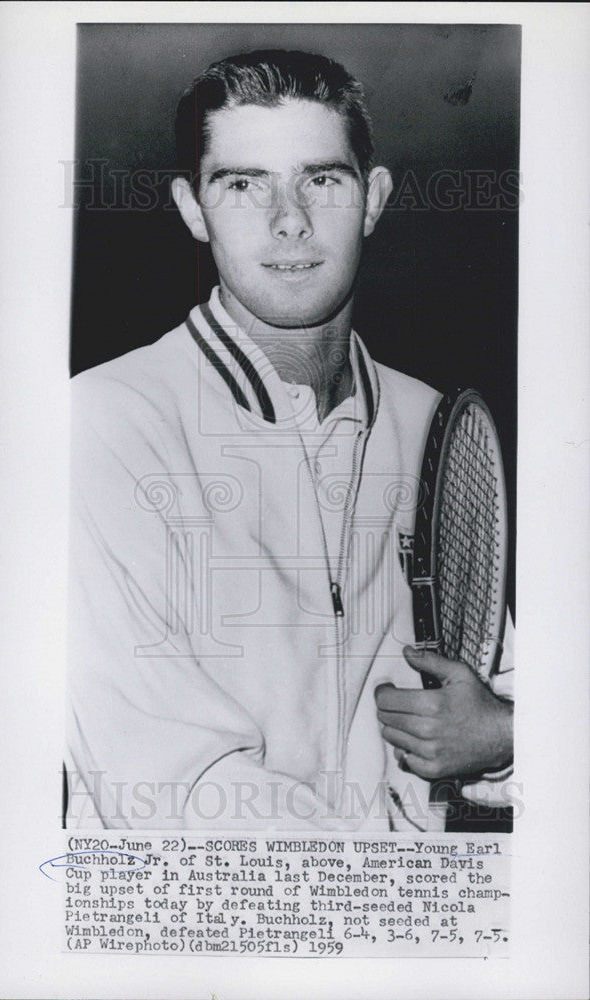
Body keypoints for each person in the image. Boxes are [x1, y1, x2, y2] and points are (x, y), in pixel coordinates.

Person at [65, 49, 513, 831]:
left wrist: (504, 736)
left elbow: (506, 697)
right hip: (208, 939)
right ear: (192, 208)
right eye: (242, 184)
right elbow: (177, 789)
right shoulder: (102, 421)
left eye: (322, 179)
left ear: (371, 198)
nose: (289, 220)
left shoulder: (430, 423)